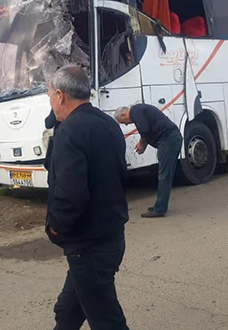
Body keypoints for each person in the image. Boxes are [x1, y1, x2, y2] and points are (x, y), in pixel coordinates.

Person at [46, 65, 130, 329]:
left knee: (107, 321)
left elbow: (71, 194)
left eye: (49, 96)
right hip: (110, 236)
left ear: (60, 95)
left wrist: (55, 227)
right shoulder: (107, 122)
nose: (51, 103)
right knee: (67, 312)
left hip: (89, 245)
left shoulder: (70, 131)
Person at [114, 103, 182, 218]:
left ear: (124, 114)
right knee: (165, 174)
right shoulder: (139, 110)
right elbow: (147, 128)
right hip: (170, 139)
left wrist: (142, 143)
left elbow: (145, 129)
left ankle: (160, 208)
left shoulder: (135, 111)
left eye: (123, 122)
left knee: (164, 176)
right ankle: (159, 205)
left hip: (168, 141)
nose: (126, 124)